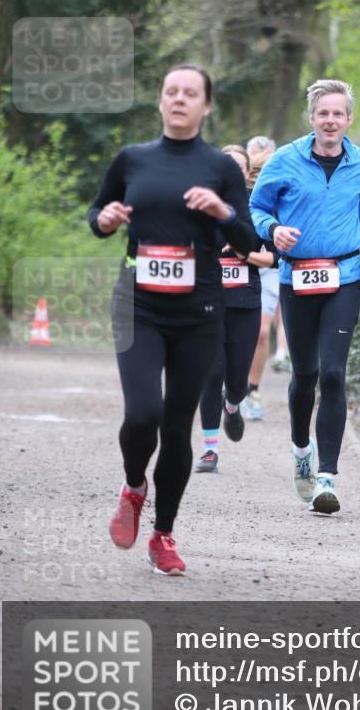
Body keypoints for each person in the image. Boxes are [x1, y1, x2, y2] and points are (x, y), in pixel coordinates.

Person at [87, 64, 255, 575]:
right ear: (160, 102)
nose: (179, 99)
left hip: (199, 310)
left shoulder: (220, 168)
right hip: (138, 303)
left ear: (206, 106)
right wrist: (106, 220)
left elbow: (250, 244)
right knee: (142, 415)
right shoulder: (132, 159)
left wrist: (223, 214)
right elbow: (96, 215)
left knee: (177, 426)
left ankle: (164, 534)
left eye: (190, 93)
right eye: (171, 92)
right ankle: (134, 485)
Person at [250, 79, 360, 514]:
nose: (330, 120)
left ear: (349, 119)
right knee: (304, 374)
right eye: (323, 113)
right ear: (312, 118)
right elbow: (256, 208)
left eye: (338, 113)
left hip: (344, 276)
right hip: (297, 276)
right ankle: (301, 451)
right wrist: (274, 231)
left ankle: (327, 477)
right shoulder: (285, 160)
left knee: (332, 374)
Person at [196, 145, 275, 472]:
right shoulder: (200, 203)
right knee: (211, 373)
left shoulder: (257, 205)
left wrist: (246, 254)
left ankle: (234, 404)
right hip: (208, 303)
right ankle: (210, 450)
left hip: (244, 301)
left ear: (245, 172)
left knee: (237, 380)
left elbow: (273, 257)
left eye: (237, 165)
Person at [243, 142, 283, 421]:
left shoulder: (286, 195)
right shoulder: (241, 194)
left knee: (260, 331)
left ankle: (252, 389)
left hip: (269, 267)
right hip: (237, 266)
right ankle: (227, 383)